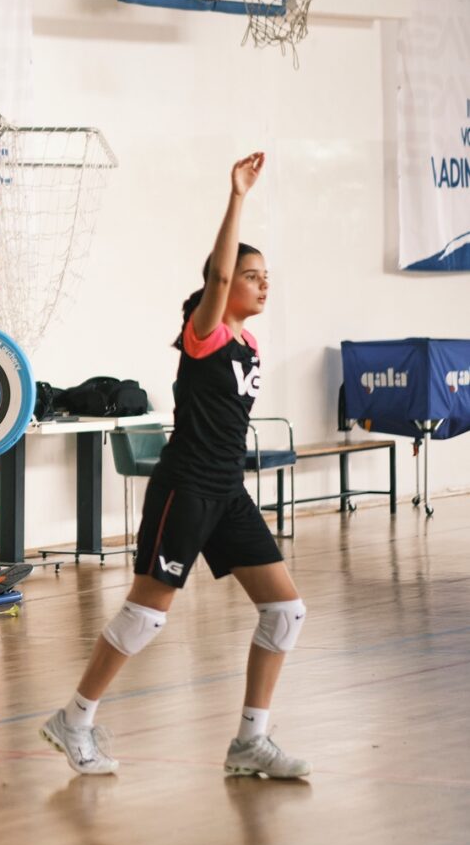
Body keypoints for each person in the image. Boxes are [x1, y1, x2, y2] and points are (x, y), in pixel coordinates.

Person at [40, 154, 310, 779]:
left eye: (266, 277)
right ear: (224, 283)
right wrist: (237, 195)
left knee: (285, 611)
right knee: (146, 615)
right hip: (184, 488)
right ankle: (74, 719)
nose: (262, 285)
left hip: (227, 492)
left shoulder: (248, 342)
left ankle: (250, 742)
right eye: (251, 276)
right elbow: (219, 275)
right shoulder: (204, 332)